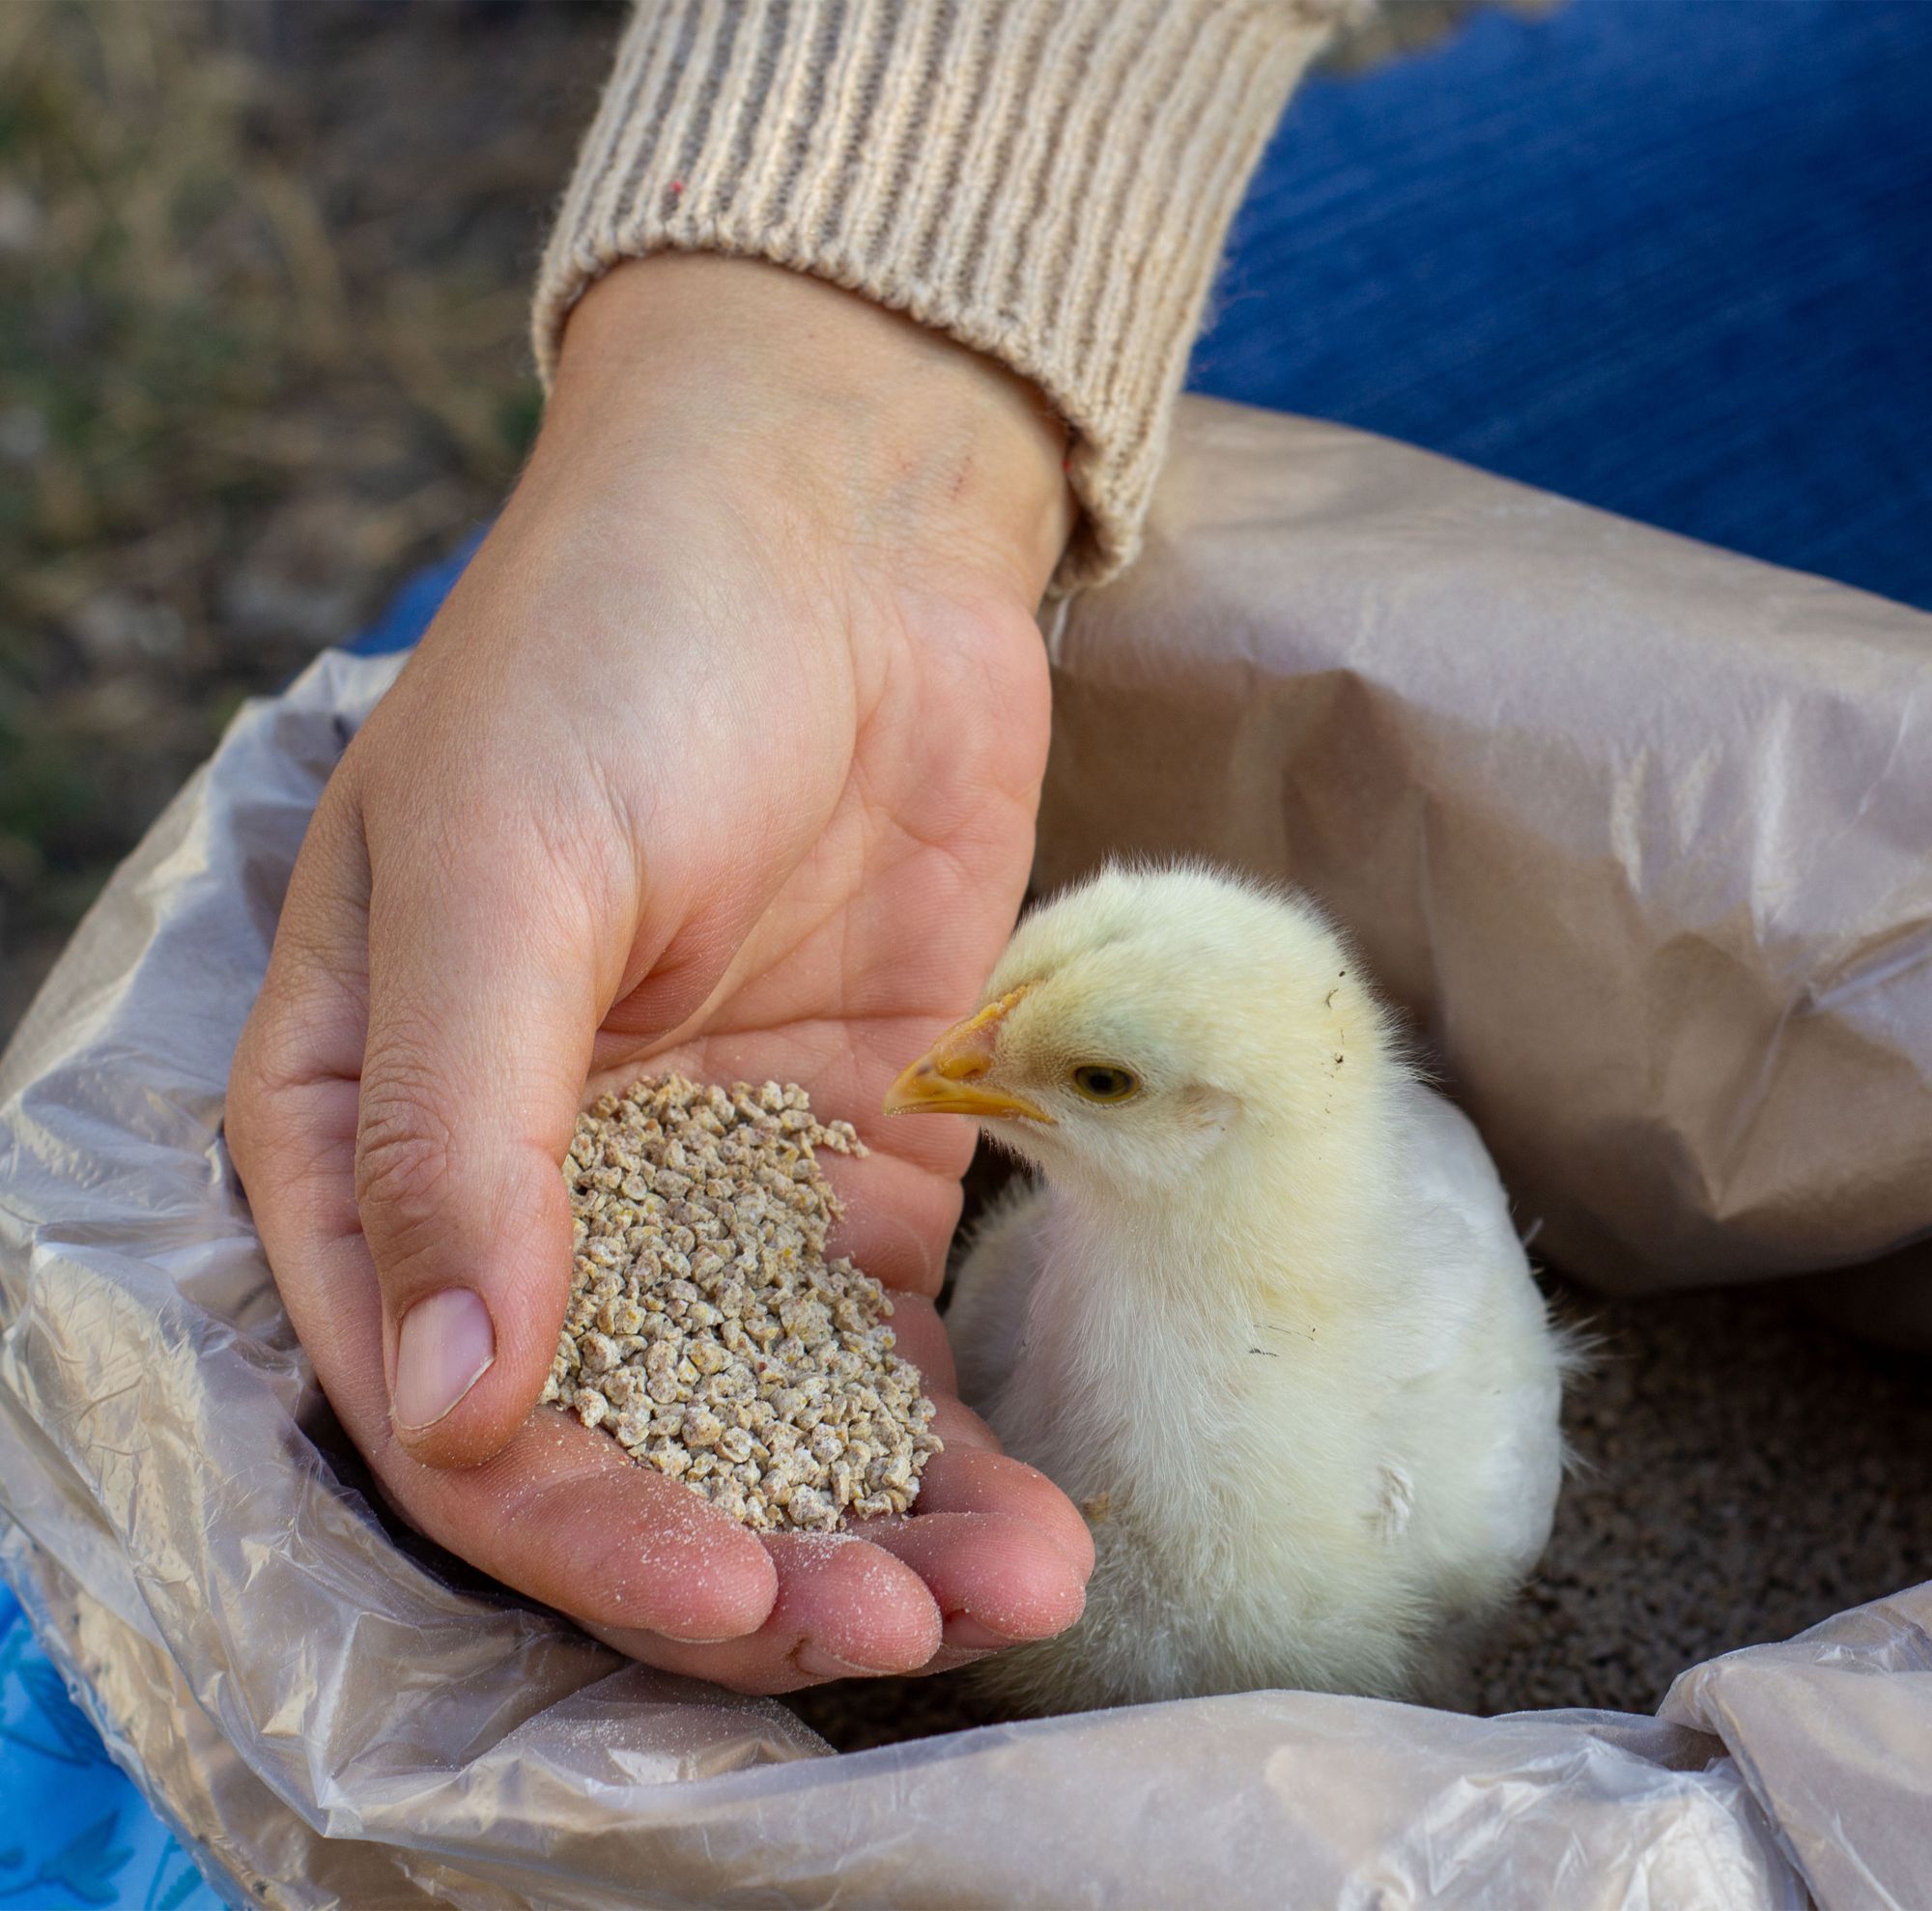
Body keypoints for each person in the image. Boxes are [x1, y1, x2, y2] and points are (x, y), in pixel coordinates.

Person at [225, 0, 1362, 1694]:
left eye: (1102, 1079)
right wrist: (805, 408)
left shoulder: (1414, 1407)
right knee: (423, 669)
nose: (944, 1070)